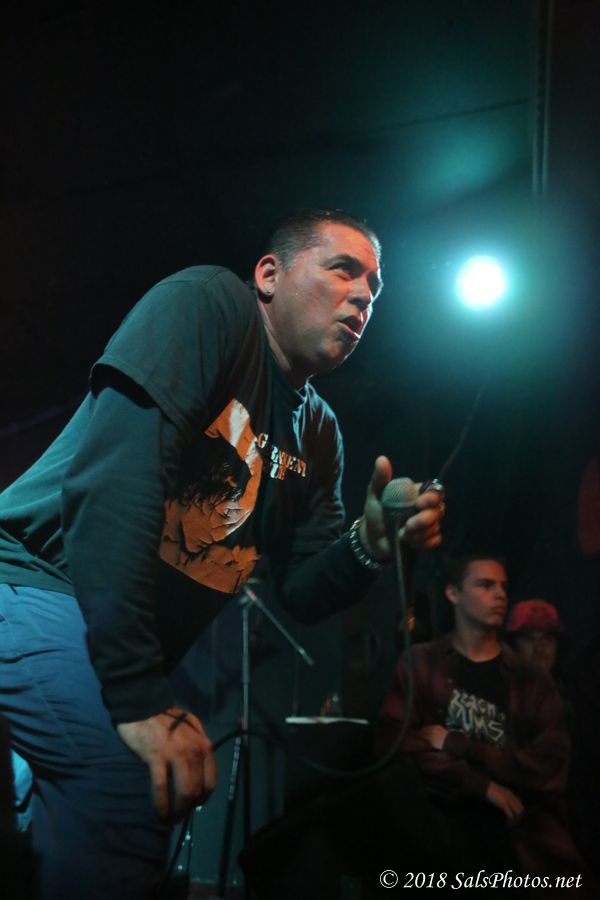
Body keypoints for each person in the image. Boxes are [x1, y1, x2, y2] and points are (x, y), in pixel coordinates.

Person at [0, 209, 443, 899]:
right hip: (36, 584)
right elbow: (112, 486)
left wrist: (369, 545)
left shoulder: (318, 433)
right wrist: (140, 699)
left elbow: (304, 588)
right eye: (343, 270)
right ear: (269, 275)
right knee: (126, 785)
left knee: (95, 821)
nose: (364, 295)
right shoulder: (207, 307)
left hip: (103, 637)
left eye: (375, 289)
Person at [378, 555, 588, 888]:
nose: (500, 594)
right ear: (453, 593)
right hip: (438, 847)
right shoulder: (421, 663)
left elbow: (545, 765)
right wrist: (481, 786)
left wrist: (458, 745)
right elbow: (397, 744)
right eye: (485, 585)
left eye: (503, 586)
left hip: (516, 851)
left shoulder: (531, 680)